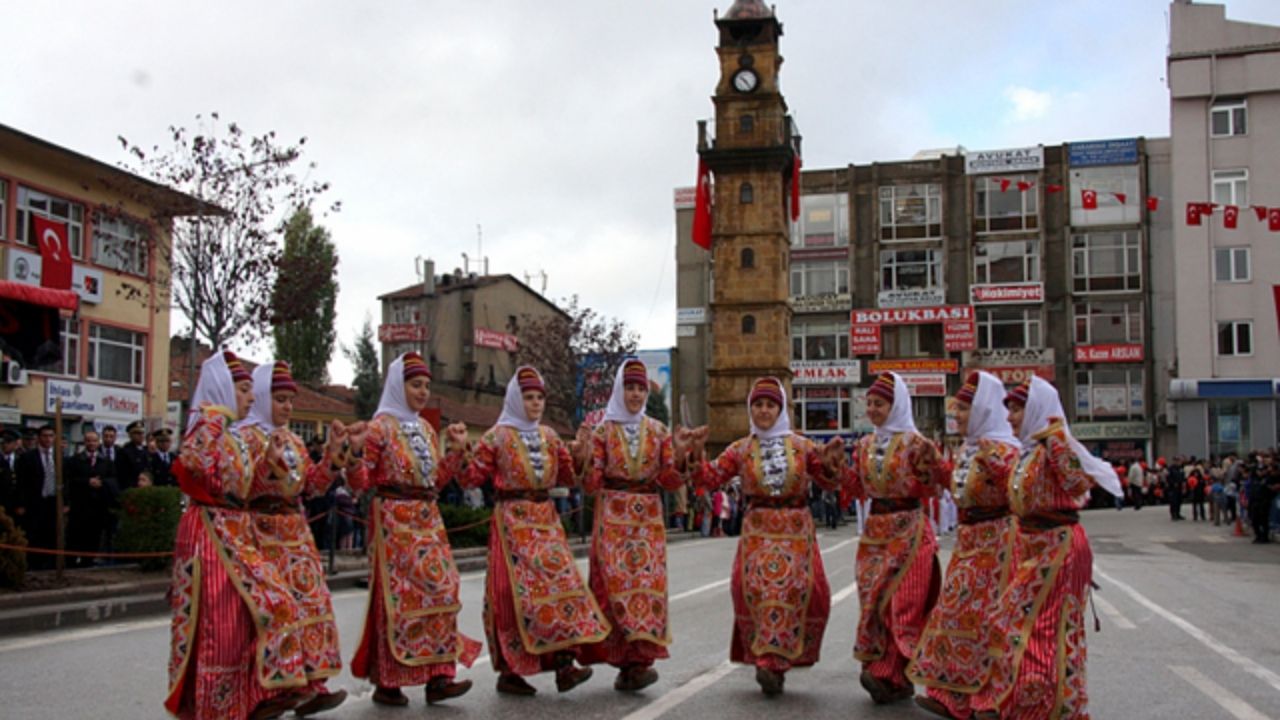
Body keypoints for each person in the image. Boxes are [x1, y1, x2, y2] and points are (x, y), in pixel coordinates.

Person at [165, 350, 315, 720]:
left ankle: (264, 691)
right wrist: (216, 414)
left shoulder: (240, 437)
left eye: (251, 390)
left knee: (275, 604)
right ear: (221, 389)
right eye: (244, 390)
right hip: (210, 532)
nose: (251, 397)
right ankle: (219, 705)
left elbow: (265, 485)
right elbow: (194, 463)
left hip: (238, 531)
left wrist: (276, 459)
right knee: (223, 624)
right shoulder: (209, 426)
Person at [448, 365, 607, 696]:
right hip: (511, 523)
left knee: (562, 587)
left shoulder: (549, 437)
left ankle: (564, 664)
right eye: (528, 397)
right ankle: (510, 670)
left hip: (547, 523)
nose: (535, 403)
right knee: (512, 597)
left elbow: (568, 477)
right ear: (515, 399)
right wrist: (461, 449)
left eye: (539, 398)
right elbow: (470, 479)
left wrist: (581, 454)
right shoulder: (496, 437)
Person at [970, 377, 1121, 720]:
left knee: (1035, 626)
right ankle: (1022, 700)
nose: (1010, 418)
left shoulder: (1052, 446)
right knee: (1010, 620)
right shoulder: (1027, 452)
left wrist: (1057, 443)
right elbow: (1019, 491)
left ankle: (1041, 704)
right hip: (1032, 545)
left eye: (1018, 409)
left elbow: (1078, 485)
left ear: (1037, 409)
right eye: (1008, 410)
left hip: (1058, 545)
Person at [686, 377, 847, 695]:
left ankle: (778, 661)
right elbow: (710, 477)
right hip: (757, 531)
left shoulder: (802, 447)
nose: (763, 410)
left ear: (781, 408)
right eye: (758, 404)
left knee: (797, 592)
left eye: (770, 405)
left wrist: (832, 464)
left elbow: (829, 482)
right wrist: (693, 451)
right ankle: (767, 661)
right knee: (755, 591)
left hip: (796, 531)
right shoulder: (741, 449)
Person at [349, 352, 481, 706]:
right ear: (398, 385)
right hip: (393, 518)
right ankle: (389, 681)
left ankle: (439, 676)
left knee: (443, 589)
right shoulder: (378, 428)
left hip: (428, 518)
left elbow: (435, 478)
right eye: (415, 385)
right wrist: (352, 453)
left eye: (426, 385)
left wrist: (454, 452)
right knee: (398, 599)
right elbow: (362, 481)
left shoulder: (424, 429)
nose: (422, 392)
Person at [235, 360, 356, 716]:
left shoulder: (293, 441)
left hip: (297, 536)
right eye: (280, 398)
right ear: (259, 397)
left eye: (290, 399)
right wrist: (268, 468)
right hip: (260, 533)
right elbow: (242, 487)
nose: (288, 406)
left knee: (312, 607)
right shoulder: (243, 437)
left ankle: (310, 683)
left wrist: (335, 456)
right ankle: (268, 691)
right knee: (272, 612)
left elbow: (311, 486)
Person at [909, 372, 1020, 720]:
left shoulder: (1009, 450)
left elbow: (1019, 493)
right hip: (969, 545)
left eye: (963, 411)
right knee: (953, 617)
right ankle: (950, 696)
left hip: (1000, 545)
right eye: (955, 410)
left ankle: (990, 700)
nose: (955, 417)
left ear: (984, 410)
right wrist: (936, 464)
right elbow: (957, 487)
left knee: (991, 624)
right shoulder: (968, 449)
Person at [574, 359, 685, 692]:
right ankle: (624, 662)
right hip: (613, 518)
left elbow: (668, 478)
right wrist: (580, 457)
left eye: (640, 388)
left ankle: (638, 664)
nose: (635, 394)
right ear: (618, 391)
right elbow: (591, 484)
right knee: (616, 591)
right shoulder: (602, 431)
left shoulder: (658, 430)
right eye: (630, 388)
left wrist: (681, 455)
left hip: (648, 519)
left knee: (646, 589)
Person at [848, 372, 945, 705]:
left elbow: (934, 485)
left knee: (901, 603)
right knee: (874, 603)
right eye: (870, 403)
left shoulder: (917, 444)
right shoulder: (863, 446)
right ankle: (886, 672)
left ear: (897, 405)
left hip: (909, 529)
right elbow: (855, 486)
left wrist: (934, 466)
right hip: (875, 532)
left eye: (880, 404)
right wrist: (832, 468)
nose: (873, 409)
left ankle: (894, 673)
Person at [65, 429, 118, 568]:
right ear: (84, 442)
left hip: (98, 507)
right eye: (89, 440)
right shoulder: (75, 460)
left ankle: (88, 561)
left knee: (94, 535)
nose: (91, 443)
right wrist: (87, 482)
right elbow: (70, 481)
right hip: (80, 506)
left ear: (98, 442)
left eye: (94, 440)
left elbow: (113, 480)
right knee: (75, 535)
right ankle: (72, 562)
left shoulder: (106, 462)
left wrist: (102, 483)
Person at [14, 425, 60, 570]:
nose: (48, 439)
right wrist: (21, 504)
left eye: (51, 436)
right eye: (45, 436)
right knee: (34, 534)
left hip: (53, 501)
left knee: (51, 533)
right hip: (35, 501)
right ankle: (33, 564)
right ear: (39, 438)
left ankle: (49, 564)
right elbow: (21, 483)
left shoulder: (59, 457)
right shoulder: (28, 457)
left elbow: (66, 481)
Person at [115, 420, 152, 491]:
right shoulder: (124, 452)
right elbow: (122, 475)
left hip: (146, 489)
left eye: (142, 433)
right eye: (137, 433)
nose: (141, 435)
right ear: (130, 435)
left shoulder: (145, 451)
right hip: (132, 489)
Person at [0, 429, 20, 519]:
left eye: (8, 442)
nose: (5, 445)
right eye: (3, 442)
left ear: (16, 444)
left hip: (15, 503)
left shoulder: (21, 459)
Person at [1167, 455, 1185, 521]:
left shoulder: (1181, 468)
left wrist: (1183, 485)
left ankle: (1178, 513)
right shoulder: (1170, 468)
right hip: (1173, 487)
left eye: (1178, 461)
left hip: (1179, 487)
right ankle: (1173, 514)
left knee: (1179, 501)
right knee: (1173, 501)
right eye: (1176, 460)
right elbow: (1168, 478)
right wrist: (1173, 483)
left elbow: (1183, 477)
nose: (1177, 462)